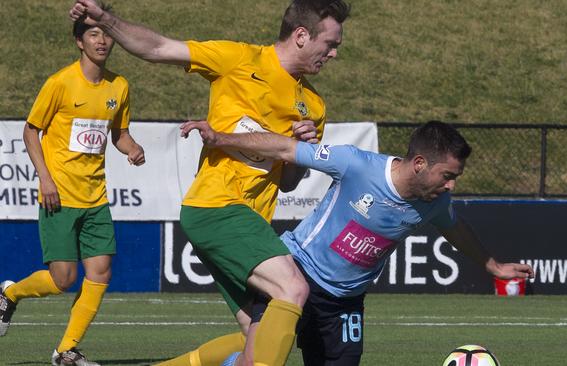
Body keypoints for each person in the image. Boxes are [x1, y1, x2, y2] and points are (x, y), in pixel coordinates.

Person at [68, 1, 351, 365]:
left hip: (249, 223)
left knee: (259, 332)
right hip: (217, 206)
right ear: (301, 36)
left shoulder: (312, 105)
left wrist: (300, 151)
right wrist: (105, 19)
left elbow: (289, 184)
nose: (334, 53)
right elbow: (158, 48)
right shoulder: (239, 59)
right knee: (293, 288)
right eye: (329, 43)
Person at [179, 120, 535, 366]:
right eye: (448, 176)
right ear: (421, 164)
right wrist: (221, 138)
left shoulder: (435, 202)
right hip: (295, 279)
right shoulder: (357, 165)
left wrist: (492, 266)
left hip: (345, 304)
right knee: (257, 361)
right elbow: (286, 148)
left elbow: (456, 230)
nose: (451, 186)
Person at [0, 3, 146, 366]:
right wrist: (45, 178)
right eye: (94, 34)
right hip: (59, 196)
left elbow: (119, 134)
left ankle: (66, 350)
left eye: (106, 34)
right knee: (62, 279)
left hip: (96, 198)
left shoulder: (119, 86)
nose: (102, 41)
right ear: (80, 42)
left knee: (101, 272)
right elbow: (31, 130)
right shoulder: (60, 83)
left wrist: (133, 148)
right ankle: (10, 294)